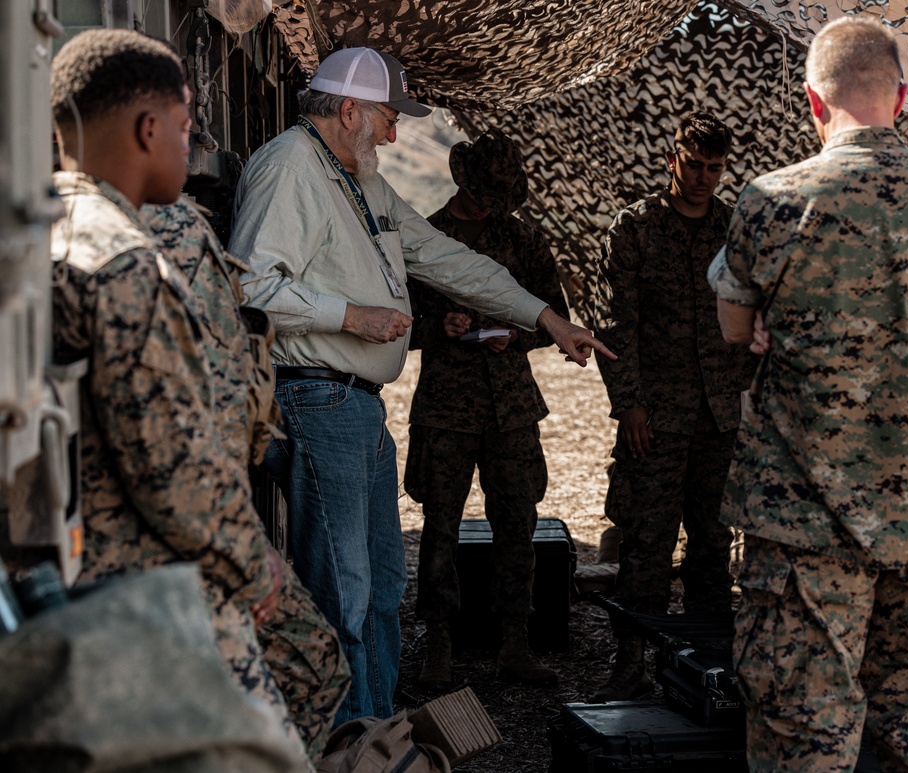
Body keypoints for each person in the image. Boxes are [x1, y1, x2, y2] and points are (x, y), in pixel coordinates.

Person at [229, 46, 614, 725]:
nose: (396, 133)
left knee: (379, 590)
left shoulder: (358, 179)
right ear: (349, 110)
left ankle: (376, 733)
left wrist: (545, 316)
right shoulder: (290, 166)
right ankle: (349, 744)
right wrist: (352, 314)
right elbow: (251, 283)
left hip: (355, 406)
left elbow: (447, 259)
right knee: (345, 595)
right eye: (388, 116)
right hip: (317, 398)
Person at [709, 16, 908, 772]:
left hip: (805, 528)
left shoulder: (771, 200)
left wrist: (776, 315)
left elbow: (735, 327)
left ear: (811, 100)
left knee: (807, 743)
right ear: (901, 98)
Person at [48, 29, 310, 767]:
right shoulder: (124, 263)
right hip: (144, 585)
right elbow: (177, 469)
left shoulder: (44, 229)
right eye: (188, 127)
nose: (191, 147)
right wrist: (251, 563)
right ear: (147, 128)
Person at [139, 198, 351, 761]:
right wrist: (249, 561)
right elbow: (173, 446)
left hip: (185, 542)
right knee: (311, 667)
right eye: (185, 126)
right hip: (181, 554)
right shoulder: (164, 236)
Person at [589, 111, 753, 702]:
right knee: (645, 544)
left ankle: (707, 667)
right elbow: (616, 323)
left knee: (714, 545)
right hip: (654, 418)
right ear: (672, 160)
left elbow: (754, 316)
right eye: (694, 164)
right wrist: (628, 404)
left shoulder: (736, 231)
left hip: (719, 419)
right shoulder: (635, 228)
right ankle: (631, 661)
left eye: (715, 167)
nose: (704, 177)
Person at [404, 130, 566, 692]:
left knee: (518, 524)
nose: (488, 205)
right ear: (460, 181)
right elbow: (393, 324)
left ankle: (515, 644)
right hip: (446, 407)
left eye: (497, 195)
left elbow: (553, 319)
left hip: (512, 408)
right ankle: (439, 647)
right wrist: (435, 328)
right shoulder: (423, 239)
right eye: (480, 193)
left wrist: (513, 338)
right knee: (441, 528)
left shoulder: (522, 239)